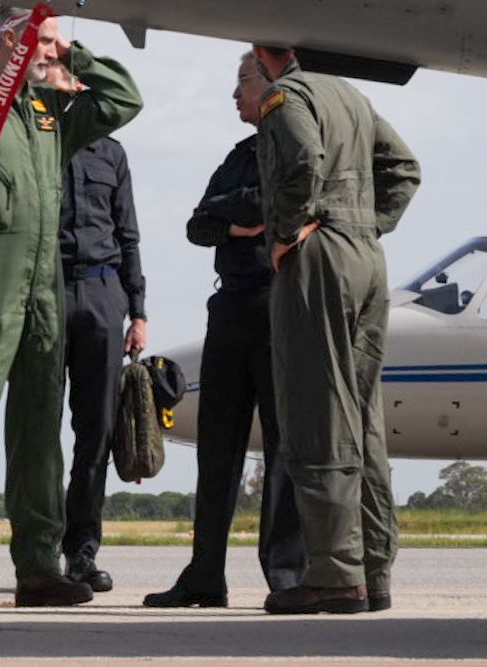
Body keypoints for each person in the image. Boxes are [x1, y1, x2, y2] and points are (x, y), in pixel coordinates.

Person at [0, 6, 141, 610]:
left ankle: (38, 565)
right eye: (45, 38)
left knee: (40, 432)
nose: (52, 50)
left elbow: (123, 100)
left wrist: (71, 56)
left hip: (45, 291)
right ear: (11, 37)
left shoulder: (50, 111)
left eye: (56, 41)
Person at [251, 44, 420, 615]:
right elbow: (403, 168)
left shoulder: (288, 95)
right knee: (362, 413)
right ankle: (373, 573)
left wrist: (286, 229)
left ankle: (334, 575)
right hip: (366, 257)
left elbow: (300, 160)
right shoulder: (351, 95)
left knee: (318, 408)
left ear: (264, 50)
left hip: (320, 256)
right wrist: (368, 225)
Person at [145, 51, 305, 608]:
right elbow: (198, 223)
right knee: (217, 447)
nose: (234, 94)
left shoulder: (293, 144)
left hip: (275, 306)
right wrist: (234, 219)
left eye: (243, 81)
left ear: (273, 83)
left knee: (284, 444)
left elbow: (270, 207)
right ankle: (205, 575)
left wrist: (231, 217)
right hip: (230, 309)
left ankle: (285, 575)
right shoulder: (241, 154)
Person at [58, 132, 146, 592]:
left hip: (103, 290)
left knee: (97, 432)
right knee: (36, 430)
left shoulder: (111, 153)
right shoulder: (40, 138)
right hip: (46, 288)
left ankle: (82, 551)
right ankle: (34, 548)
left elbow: (127, 232)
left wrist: (138, 312)